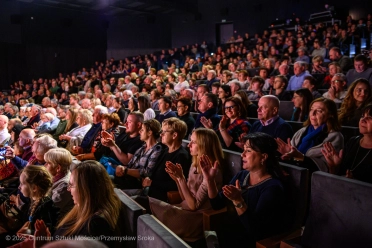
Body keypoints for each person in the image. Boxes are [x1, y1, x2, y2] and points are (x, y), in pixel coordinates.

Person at [200, 132, 293, 248]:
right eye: (243, 150)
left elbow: (256, 231)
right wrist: (209, 179)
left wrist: (238, 201)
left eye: (248, 151)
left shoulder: (273, 187)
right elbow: (217, 204)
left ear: (263, 157)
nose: (242, 155)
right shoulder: (242, 175)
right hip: (230, 235)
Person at [149, 128, 224, 242]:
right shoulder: (194, 164)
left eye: (193, 142)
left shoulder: (213, 171)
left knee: (148, 207)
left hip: (194, 219)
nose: (189, 145)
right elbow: (185, 198)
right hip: (183, 208)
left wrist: (181, 179)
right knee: (145, 204)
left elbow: (194, 205)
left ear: (204, 145)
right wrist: (178, 180)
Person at [33, 161, 125, 248]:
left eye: (71, 185)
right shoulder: (81, 210)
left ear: (85, 189)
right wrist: (47, 241)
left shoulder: (96, 225)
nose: (68, 189)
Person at [277, 98, 344, 173]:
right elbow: (292, 155)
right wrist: (288, 153)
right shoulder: (301, 131)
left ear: (330, 115)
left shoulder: (335, 136)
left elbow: (326, 167)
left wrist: (299, 157)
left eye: (319, 111)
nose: (313, 113)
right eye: (311, 109)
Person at [141, 117, 191, 202]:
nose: (161, 134)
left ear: (174, 135)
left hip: (162, 199)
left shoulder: (182, 156)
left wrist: (152, 183)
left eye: (164, 132)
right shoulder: (165, 150)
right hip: (150, 193)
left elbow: (176, 184)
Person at [3, 166, 58, 242]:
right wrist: (21, 207)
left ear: (34, 188)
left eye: (22, 184)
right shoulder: (35, 200)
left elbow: (41, 237)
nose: (19, 187)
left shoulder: (46, 209)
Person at [322, 103, 372, 183]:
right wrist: (334, 166)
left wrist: (355, 182)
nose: (363, 120)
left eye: (369, 117)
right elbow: (337, 177)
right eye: (362, 116)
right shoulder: (353, 141)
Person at [114, 119, 163, 189]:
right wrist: (121, 168)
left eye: (142, 130)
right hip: (126, 180)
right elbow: (129, 165)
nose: (139, 132)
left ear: (149, 133)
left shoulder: (157, 150)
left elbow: (146, 173)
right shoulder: (142, 148)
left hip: (136, 185)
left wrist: (125, 170)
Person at [44, 148, 74, 218]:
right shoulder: (55, 176)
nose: (44, 166)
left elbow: (49, 207)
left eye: (48, 163)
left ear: (58, 168)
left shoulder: (64, 186)